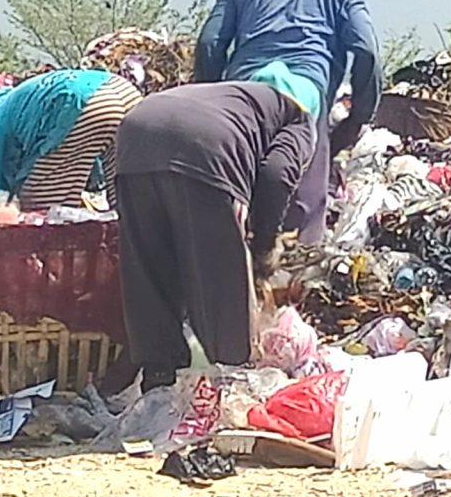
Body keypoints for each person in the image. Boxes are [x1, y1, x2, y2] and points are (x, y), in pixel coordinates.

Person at [194, 0, 379, 247]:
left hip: (242, 99)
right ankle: (290, 289)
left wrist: (209, 98)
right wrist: (358, 117)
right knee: (302, 214)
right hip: (305, 101)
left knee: (231, 205)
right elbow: (367, 51)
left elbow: (209, 43)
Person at [110, 74, 318, 390]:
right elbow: (277, 176)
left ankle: (158, 383)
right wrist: (264, 245)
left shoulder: (238, 98)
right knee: (220, 284)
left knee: (147, 270)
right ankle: (233, 385)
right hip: (204, 148)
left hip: (135, 136)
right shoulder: (301, 121)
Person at [0, 67, 144, 215]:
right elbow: (85, 156)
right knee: (127, 205)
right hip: (125, 92)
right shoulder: (18, 100)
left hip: (83, 101)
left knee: (40, 211)